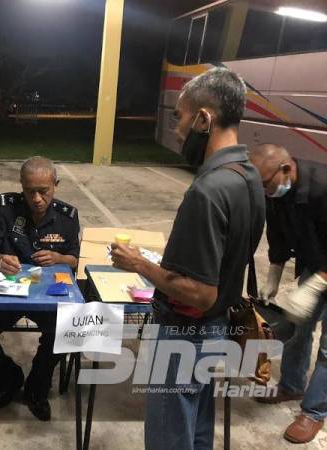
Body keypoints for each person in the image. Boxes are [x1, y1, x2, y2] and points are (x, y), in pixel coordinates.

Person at [111, 67, 265, 450]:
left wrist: (140, 265)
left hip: (186, 330)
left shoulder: (209, 190)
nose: (177, 130)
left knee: (169, 434)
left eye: (179, 117)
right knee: (195, 427)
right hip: (214, 329)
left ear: (203, 119)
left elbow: (200, 292)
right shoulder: (248, 177)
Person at [0, 156, 80, 421]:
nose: (37, 198)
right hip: (10, 290)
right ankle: (10, 379)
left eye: (44, 191)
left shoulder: (67, 216)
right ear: (21, 187)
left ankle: (37, 389)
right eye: (30, 192)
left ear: (56, 184)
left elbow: (75, 259)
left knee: (61, 336)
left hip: (47, 294)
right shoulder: (5, 206)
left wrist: (59, 259)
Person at [250, 143, 327, 444]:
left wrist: (317, 284)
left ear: (286, 169)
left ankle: (315, 412)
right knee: (300, 326)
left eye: (267, 184)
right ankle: (293, 385)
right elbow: (278, 234)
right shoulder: (275, 191)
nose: (266, 191)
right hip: (316, 261)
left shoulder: (323, 188)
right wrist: (274, 273)